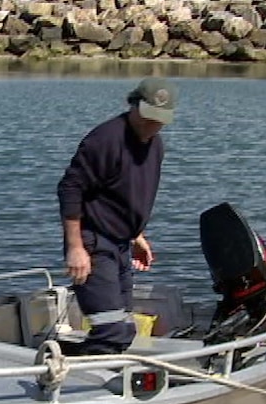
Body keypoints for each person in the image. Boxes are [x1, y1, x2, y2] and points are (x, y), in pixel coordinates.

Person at [56, 77, 178, 355]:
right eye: (147, 117)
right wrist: (75, 248)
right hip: (93, 243)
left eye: (159, 120)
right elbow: (69, 189)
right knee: (112, 330)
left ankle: (71, 361)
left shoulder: (156, 147)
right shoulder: (106, 140)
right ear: (133, 104)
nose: (152, 125)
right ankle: (62, 372)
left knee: (125, 329)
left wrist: (136, 235)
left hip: (121, 244)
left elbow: (124, 193)